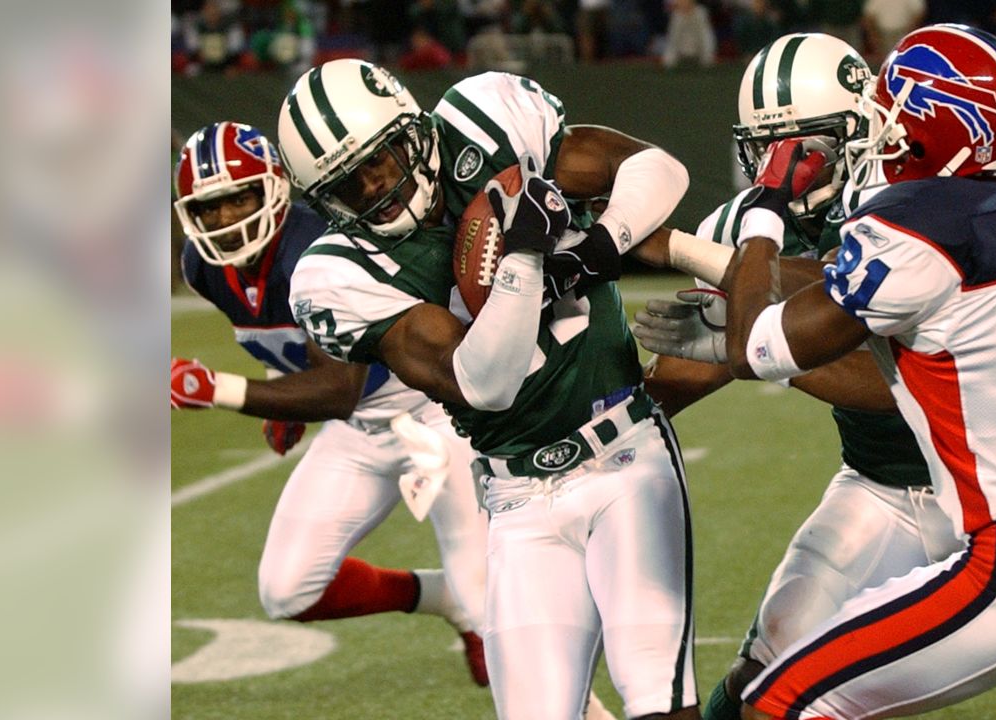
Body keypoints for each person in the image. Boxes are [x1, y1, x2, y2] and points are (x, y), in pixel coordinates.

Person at [636, 31, 996, 720]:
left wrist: (757, 217)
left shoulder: (909, 221)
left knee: (784, 701)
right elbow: (852, 278)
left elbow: (761, 348)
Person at [275, 60, 697, 720]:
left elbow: (657, 169)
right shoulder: (336, 272)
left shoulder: (481, 119)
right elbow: (483, 385)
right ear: (325, 202)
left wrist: (599, 248)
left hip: (625, 455)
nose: (377, 184)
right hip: (516, 494)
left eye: (381, 156)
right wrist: (524, 261)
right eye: (348, 184)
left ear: (410, 128)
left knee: (656, 697)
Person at [170, 121, 490, 686]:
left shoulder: (315, 250)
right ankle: (442, 598)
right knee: (286, 588)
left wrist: (217, 389)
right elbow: (282, 338)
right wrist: (278, 392)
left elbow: (339, 386)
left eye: (238, 199)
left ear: (273, 188)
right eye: (210, 208)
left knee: (488, 598)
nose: (225, 220)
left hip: (431, 412)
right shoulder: (203, 268)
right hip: (361, 430)